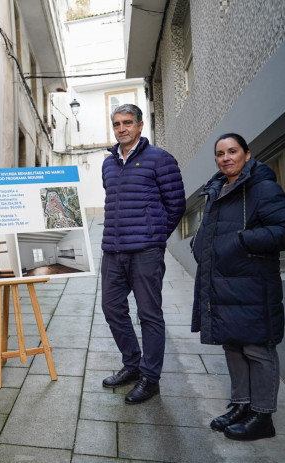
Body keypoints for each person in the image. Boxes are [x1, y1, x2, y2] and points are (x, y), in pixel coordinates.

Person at [191, 133, 285, 441]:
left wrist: (242, 241)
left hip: (252, 285)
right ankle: (241, 405)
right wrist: (200, 248)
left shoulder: (262, 188)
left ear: (247, 155)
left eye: (232, 151)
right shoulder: (218, 189)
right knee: (233, 345)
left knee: (257, 348)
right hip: (222, 283)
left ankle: (262, 416)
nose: (226, 157)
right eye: (220, 153)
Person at [100, 104, 185, 404]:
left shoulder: (160, 159)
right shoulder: (108, 164)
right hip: (113, 250)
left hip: (145, 252)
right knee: (111, 308)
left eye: (127, 123)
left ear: (140, 125)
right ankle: (132, 365)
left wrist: (155, 237)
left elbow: (176, 204)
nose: (121, 128)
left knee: (149, 314)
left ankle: (150, 378)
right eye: (116, 124)